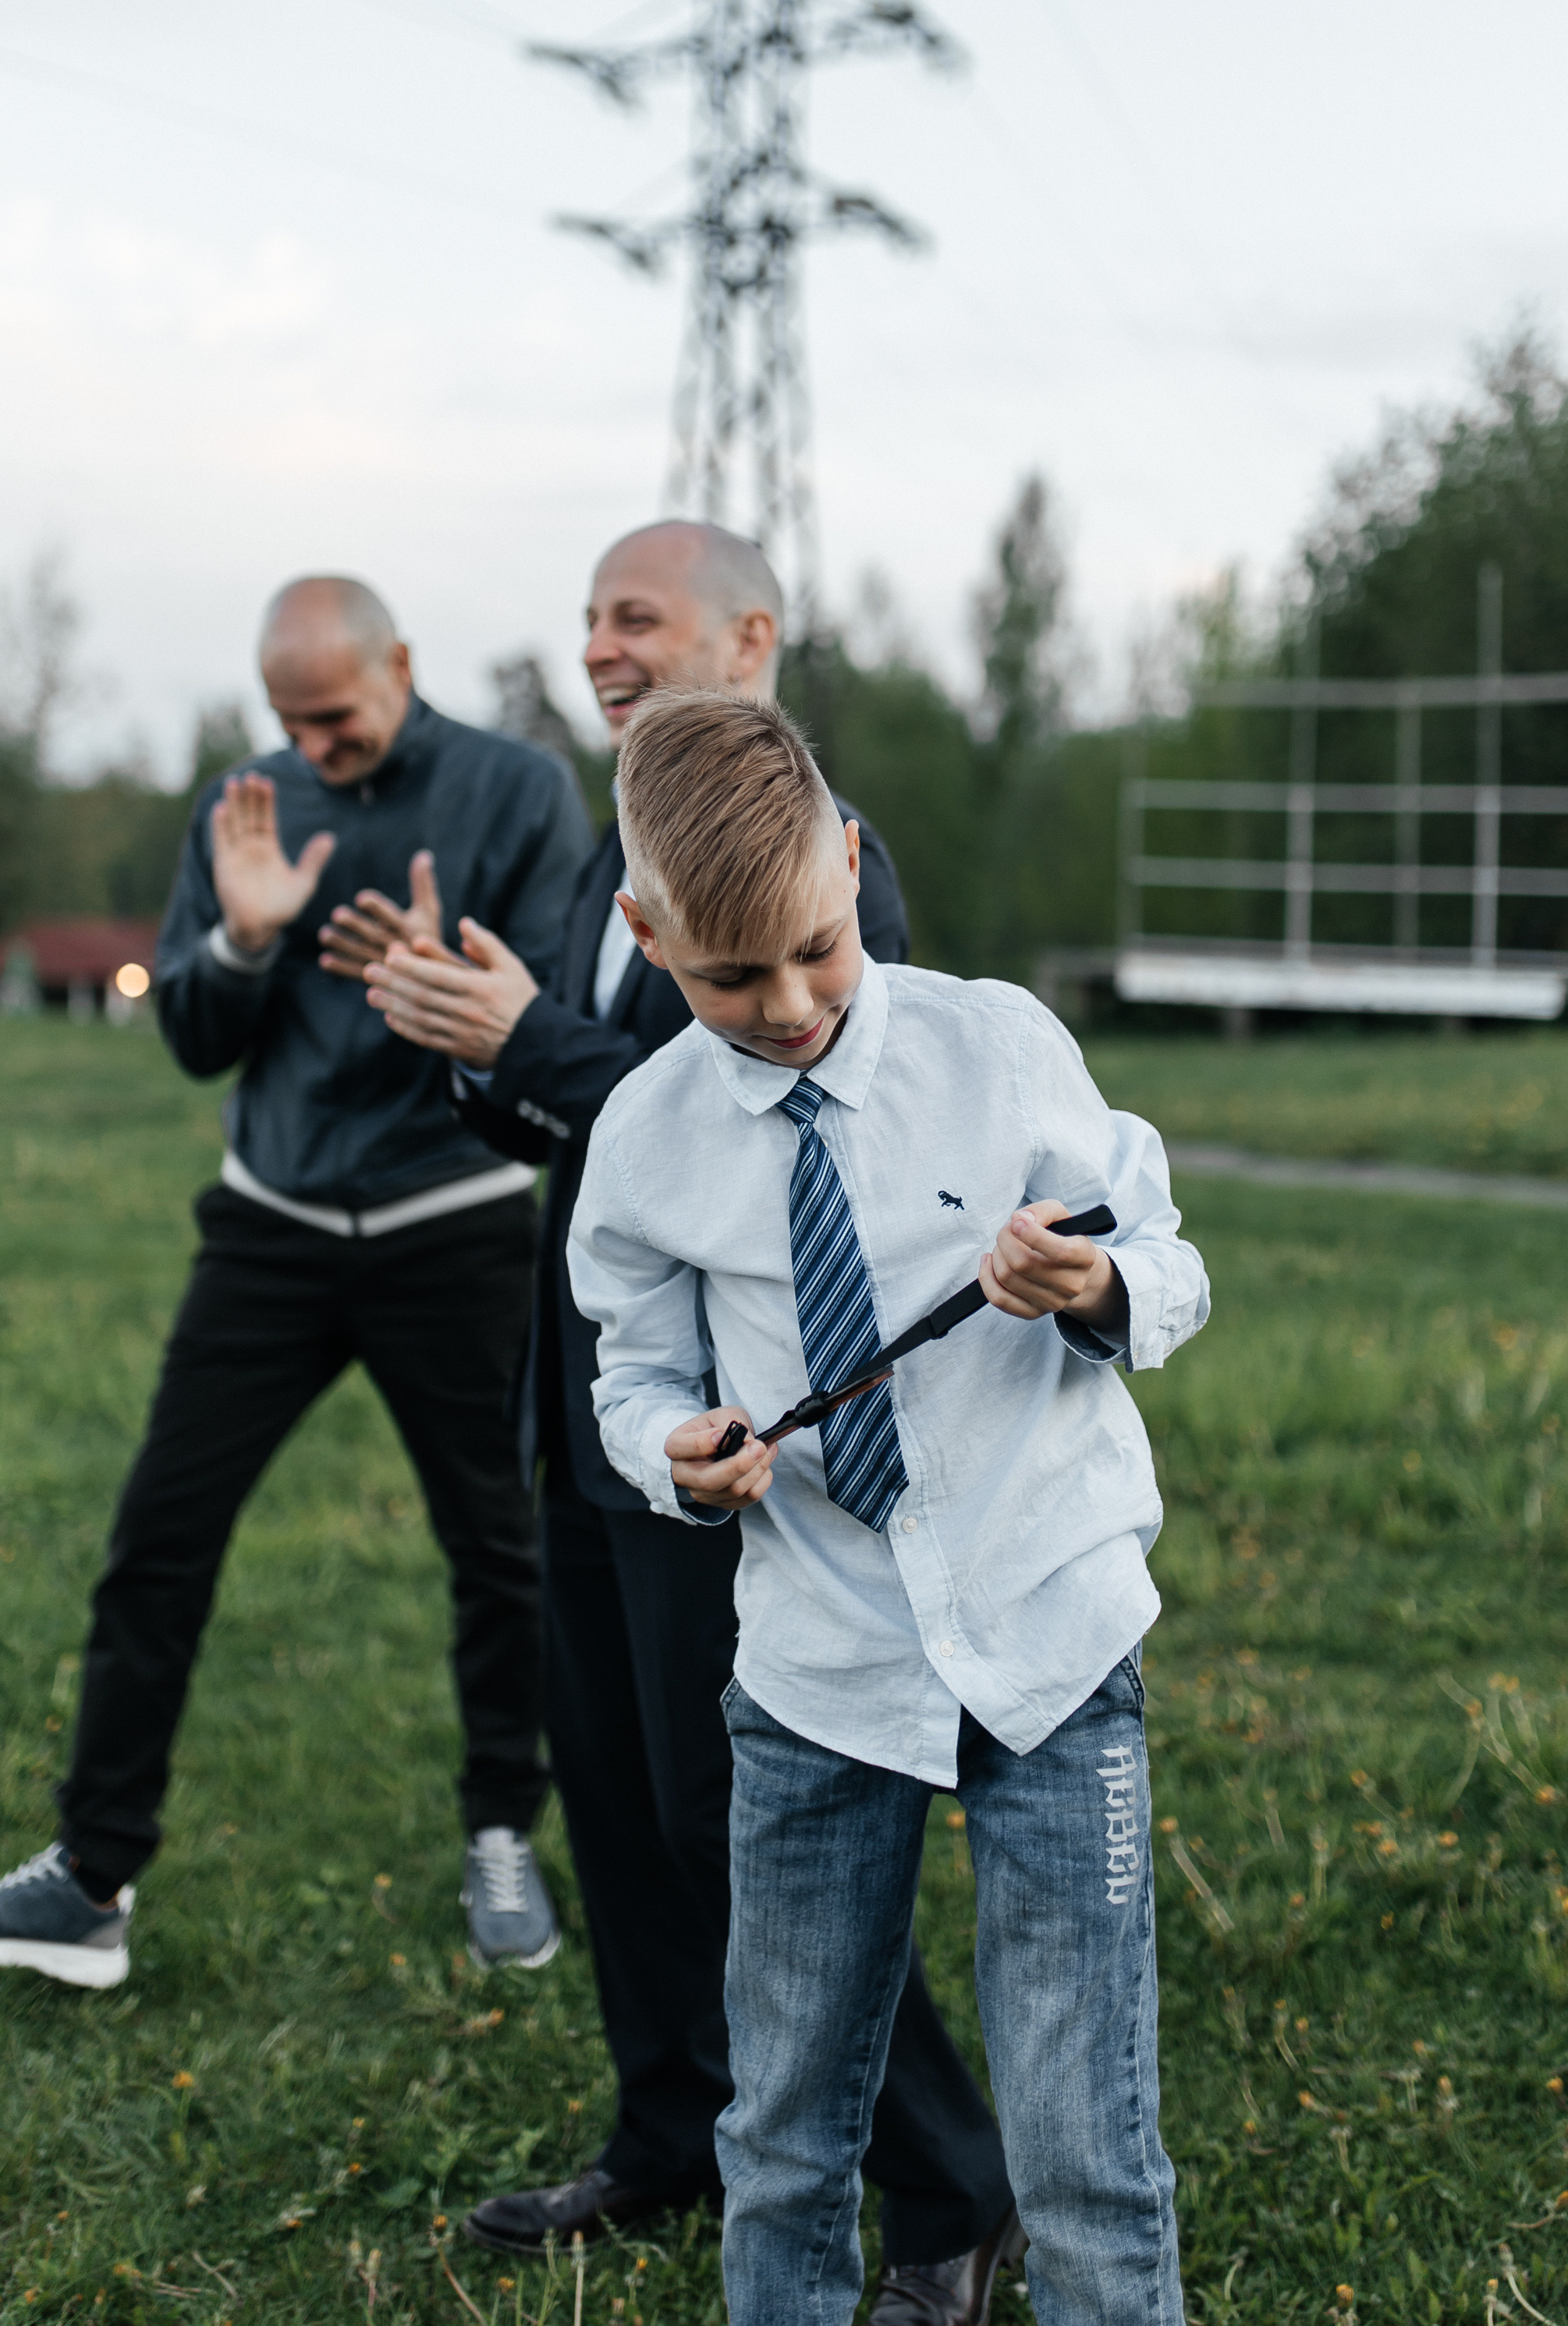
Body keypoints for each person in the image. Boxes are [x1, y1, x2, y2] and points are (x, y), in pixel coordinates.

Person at [351, 525, 1022, 2326]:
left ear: (752, 633)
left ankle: (953, 2192)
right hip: (599, 1403)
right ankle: (675, 2130)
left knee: (755, 1824)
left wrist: (533, 1042)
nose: (601, 649)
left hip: (750, 1440)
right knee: (621, 1795)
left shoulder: (818, 861)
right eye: (585, 622)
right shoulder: (608, 848)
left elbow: (761, 1100)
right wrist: (470, 1039)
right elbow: (609, 1142)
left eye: (634, 617)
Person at [569, 689, 1211, 2326]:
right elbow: (629, 1379)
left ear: (852, 867)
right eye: (727, 977)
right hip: (817, 1672)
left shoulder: (995, 1046)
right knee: (782, 2126)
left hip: (1051, 1644)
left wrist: (1089, 1280)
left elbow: (1169, 1261)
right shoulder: (643, 1146)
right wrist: (676, 1452)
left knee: (1086, 2144)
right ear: (647, 934)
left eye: (815, 950)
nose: (786, 1004)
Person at [0, 576, 594, 1989]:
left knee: (495, 1550)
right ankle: (90, 1879)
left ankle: (500, 1834)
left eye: (332, 717)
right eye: (287, 719)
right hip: (268, 1221)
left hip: (450, 1221)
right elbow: (196, 1037)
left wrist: (441, 983)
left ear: (398, 665)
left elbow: (558, 1020)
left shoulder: (520, 792)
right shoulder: (248, 805)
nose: (309, 747)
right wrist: (248, 937)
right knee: (160, 1534)